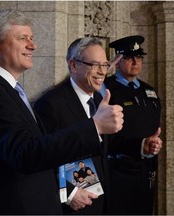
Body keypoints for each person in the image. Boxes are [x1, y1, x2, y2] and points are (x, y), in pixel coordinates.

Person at [0, 9, 124, 215]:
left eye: (32, 38)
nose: (33, 45)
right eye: (23, 38)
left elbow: (42, 149)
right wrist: (95, 126)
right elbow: (25, 153)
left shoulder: (2, 89)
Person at [34, 37, 123, 214]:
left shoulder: (99, 100)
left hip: (100, 201)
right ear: (73, 65)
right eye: (95, 65)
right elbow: (39, 157)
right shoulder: (50, 104)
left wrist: (143, 145)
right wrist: (68, 192)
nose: (101, 72)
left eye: (105, 65)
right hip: (68, 206)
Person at [103, 35, 163, 215]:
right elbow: (103, 133)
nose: (135, 62)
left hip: (145, 170)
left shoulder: (149, 91)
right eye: (129, 58)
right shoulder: (106, 89)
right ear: (119, 61)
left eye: (139, 57)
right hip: (118, 169)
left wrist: (152, 145)